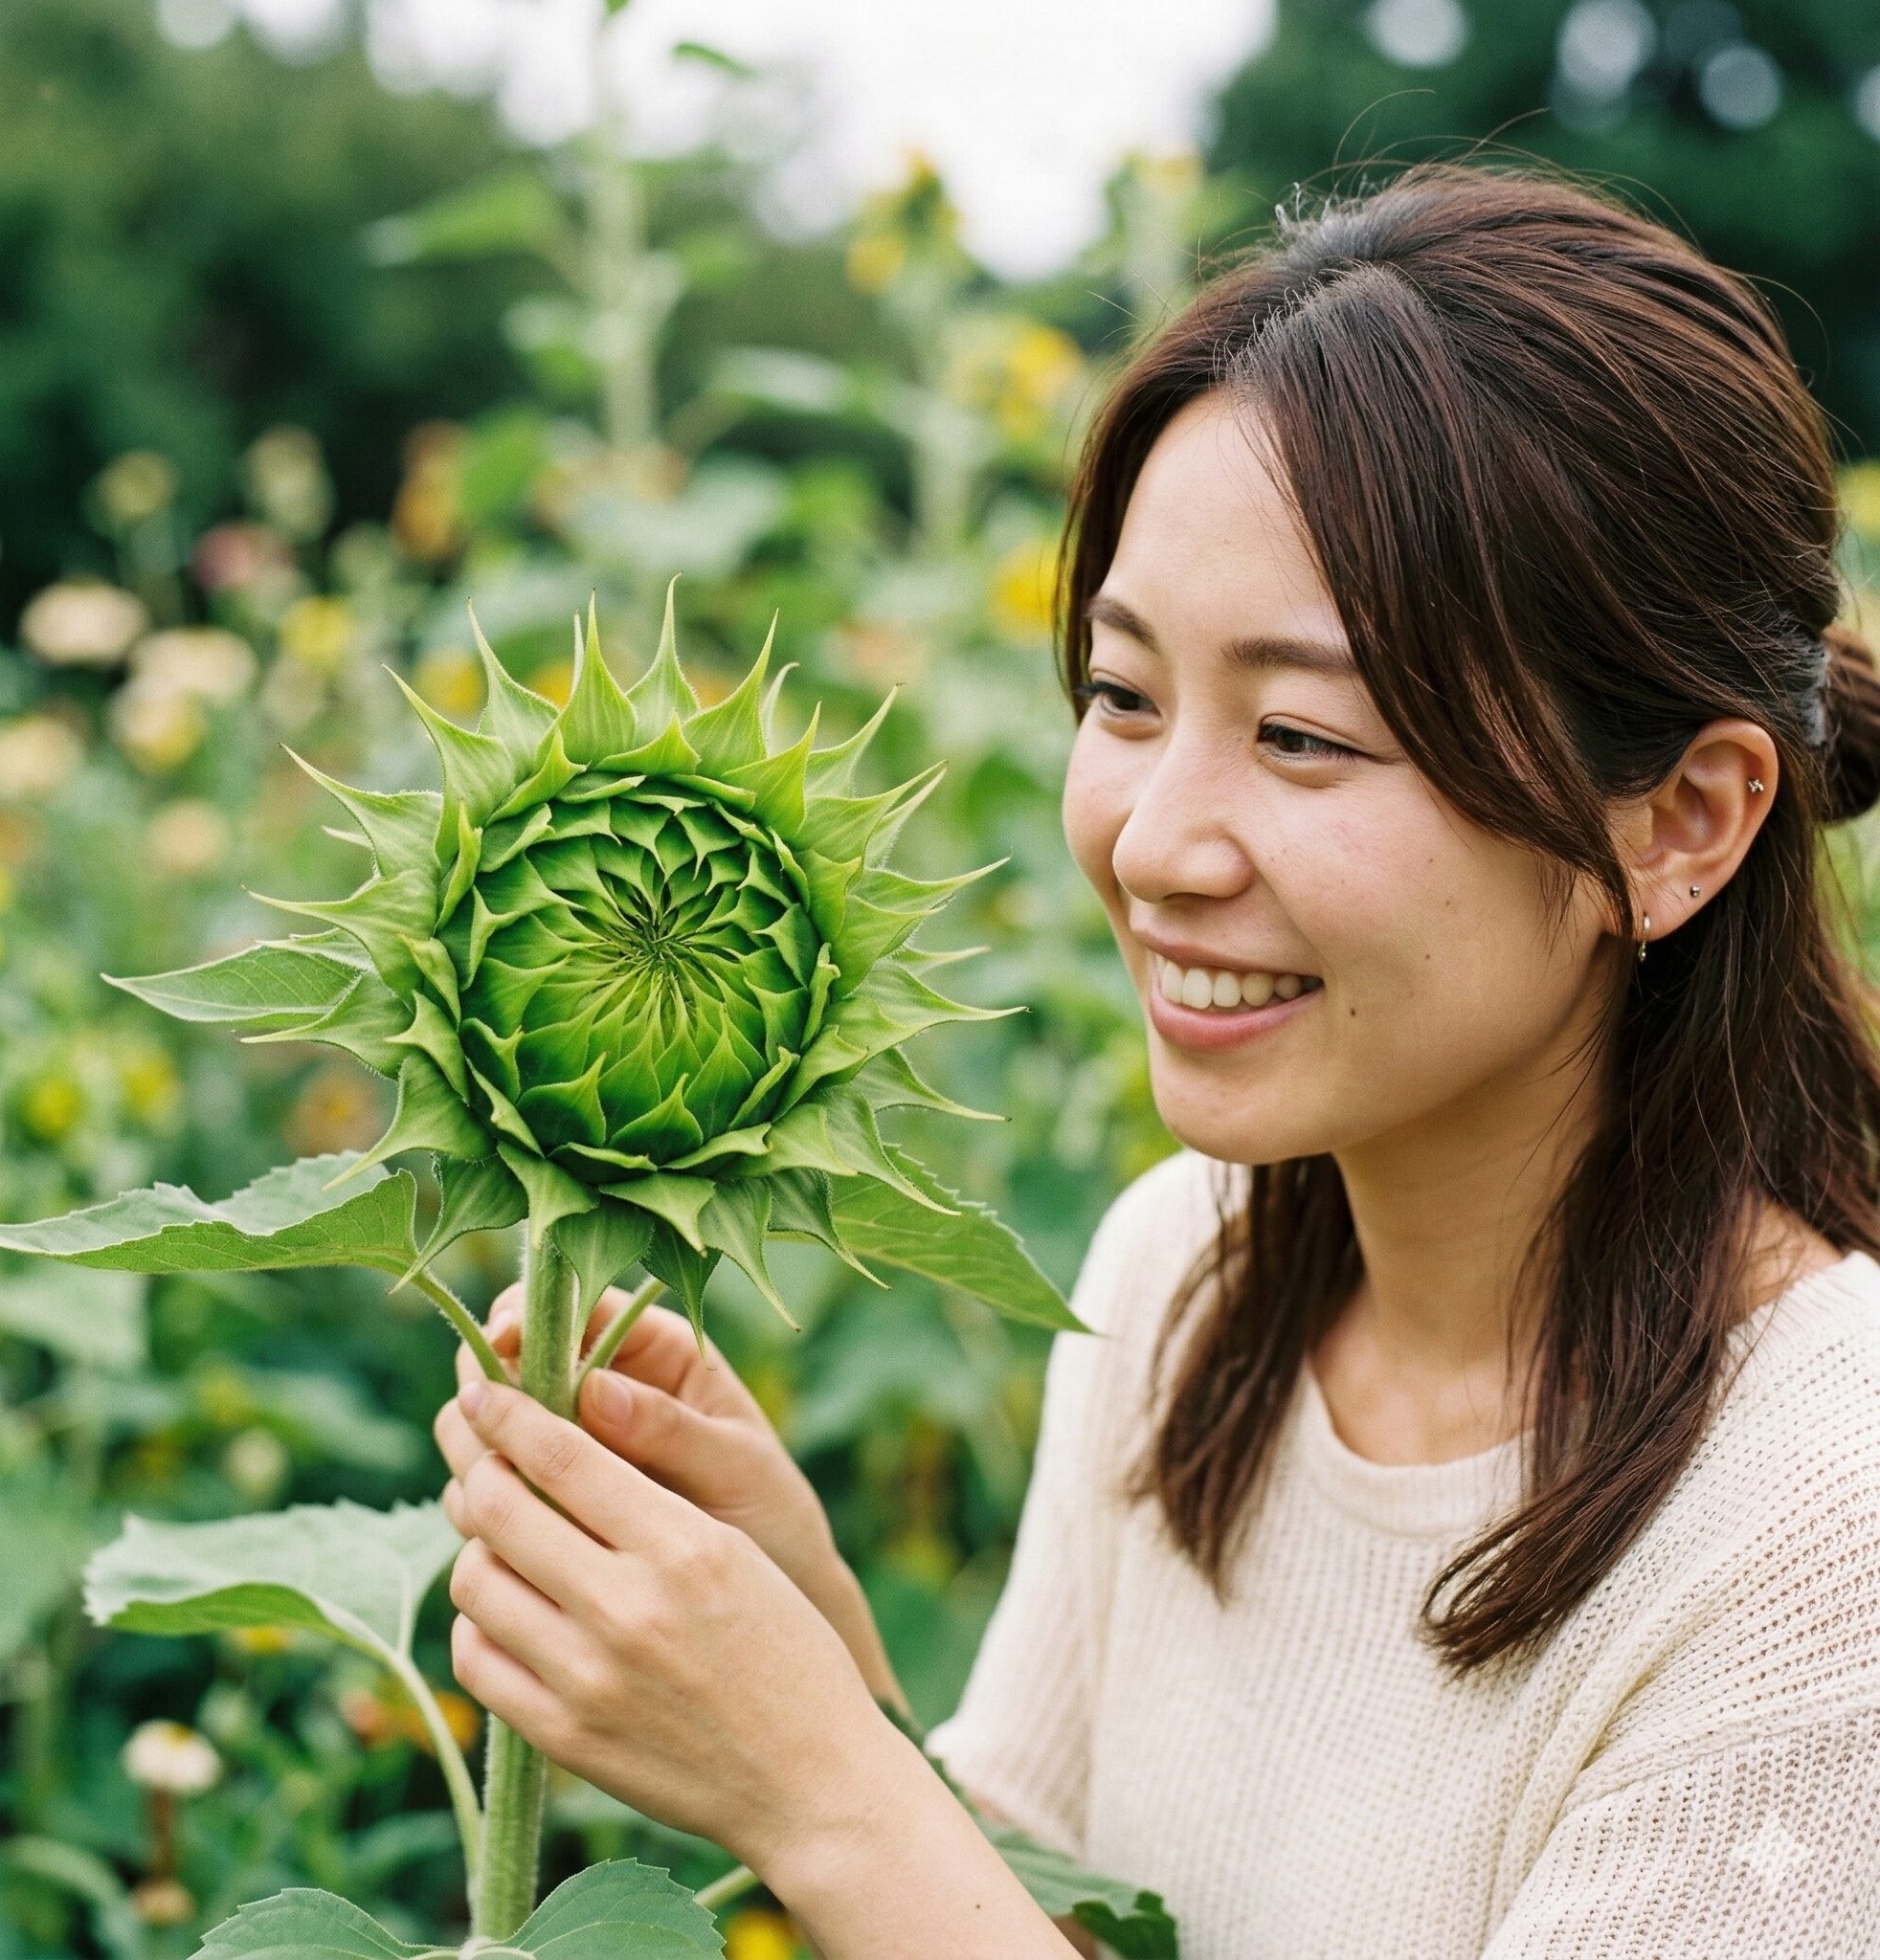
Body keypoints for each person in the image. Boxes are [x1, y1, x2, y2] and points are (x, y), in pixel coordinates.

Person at [432, 159, 1880, 1958]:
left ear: (1681, 821)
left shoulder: (1829, 1529)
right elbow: (1051, 1913)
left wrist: (820, 1785)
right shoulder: (1184, 1274)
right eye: (1124, 697)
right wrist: (812, 1665)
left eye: (1301, 733)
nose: (1153, 840)